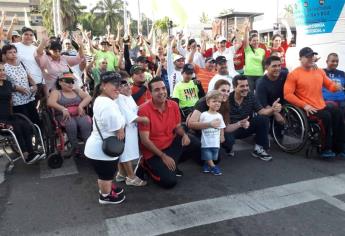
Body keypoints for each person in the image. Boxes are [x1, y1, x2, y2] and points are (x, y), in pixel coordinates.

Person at [284, 47, 345, 158]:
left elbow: (330, 85)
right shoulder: (294, 74)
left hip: (320, 104)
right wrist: (304, 105)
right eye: (307, 57)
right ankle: (325, 149)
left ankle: (339, 147)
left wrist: (336, 87)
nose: (311, 58)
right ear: (300, 58)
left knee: (338, 113)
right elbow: (287, 95)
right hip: (306, 108)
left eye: (312, 56)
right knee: (326, 117)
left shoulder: (319, 71)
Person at [136, 77, 194, 189]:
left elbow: (177, 127)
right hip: (153, 151)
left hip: (169, 143)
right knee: (169, 182)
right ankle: (146, 166)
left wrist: (184, 135)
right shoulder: (144, 110)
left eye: (163, 88)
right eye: (157, 90)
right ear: (150, 92)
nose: (162, 92)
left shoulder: (173, 104)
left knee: (193, 143)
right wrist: (163, 156)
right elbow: (145, 140)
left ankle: (172, 165)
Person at [84, 71, 126, 204]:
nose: (118, 87)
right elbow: (114, 124)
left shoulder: (101, 99)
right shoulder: (107, 104)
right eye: (114, 84)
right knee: (106, 175)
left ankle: (106, 187)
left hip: (98, 148)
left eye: (119, 84)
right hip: (102, 150)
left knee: (105, 173)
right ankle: (105, 195)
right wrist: (120, 128)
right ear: (103, 85)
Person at [229, 75, 282, 161]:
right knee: (228, 143)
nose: (245, 88)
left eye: (247, 85)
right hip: (231, 129)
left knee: (263, 119)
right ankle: (228, 146)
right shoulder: (227, 99)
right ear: (234, 87)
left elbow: (262, 111)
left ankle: (258, 149)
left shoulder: (250, 96)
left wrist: (273, 109)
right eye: (242, 86)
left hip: (246, 127)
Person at [0, 61, 41, 164]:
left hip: (9, 116)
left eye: (3, 70)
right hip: (1, 121)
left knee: (25, 124)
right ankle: (26, 154)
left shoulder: (7, 84)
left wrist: (32, 86)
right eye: (0, 71)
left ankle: (32, 152)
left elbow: (11, 99)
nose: (3, 72)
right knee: (16, 127)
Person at [115, 72, 148, 186]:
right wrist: (146, 119)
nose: (128, 86)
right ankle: (131, 177)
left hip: (130, 130)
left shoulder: (127, 97)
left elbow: (135, 109)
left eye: (128, 83)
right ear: (117, 87)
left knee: (123, 152)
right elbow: (131, 117)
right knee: (126, 153)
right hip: (124, 130)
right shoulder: (119, 98)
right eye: (124, 84)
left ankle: (121, 173)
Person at [47, 72, 92, 156]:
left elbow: (88, 97)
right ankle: (75, 148)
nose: (70, 84)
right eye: (67, 81)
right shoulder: (56, 92)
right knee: (71, 124)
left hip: (78, 114)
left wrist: (81, 106)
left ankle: (89, 147)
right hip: (63, 116)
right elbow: (50, 102)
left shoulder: (76, 91)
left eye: (72, 82)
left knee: (85, 122)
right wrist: (63, 108)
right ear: (60, 82)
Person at [2, 44, 40, 125]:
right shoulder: (4, 68)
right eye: (10, 52)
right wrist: (17, 88)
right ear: (5, 55)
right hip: (16, 100)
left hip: (28, 97)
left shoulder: (21, 64)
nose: (13, 54)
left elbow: (29, 77)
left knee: (35, 120)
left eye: (15, 52)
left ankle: (39, 136)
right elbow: (4, 84)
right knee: (24, 123)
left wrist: (35, 85)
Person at [13, 27, 45, 103]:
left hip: (38, 82)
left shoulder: (37, 49)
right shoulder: (14, 46)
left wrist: (43, 81)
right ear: (21, 35)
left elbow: (43, 65)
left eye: (31, 35)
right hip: (22, 83)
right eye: (26, 34)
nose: (29, 36)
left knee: (36, 107)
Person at [199, 90, 225, 175]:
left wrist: (222, 136)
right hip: (206, 142)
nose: (217, 103)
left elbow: (221, 127)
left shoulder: (219, 116)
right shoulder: (204, 115)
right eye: (214, 101)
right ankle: (214, 167)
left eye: (219, 102)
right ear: (208, 103)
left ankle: (206, 165)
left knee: (213, 156)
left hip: (215, 142)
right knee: (208, 155)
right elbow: (200, 125)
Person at [256, 56, 287, 124]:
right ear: (266, 67)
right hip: (268, 109)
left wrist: (311, 66)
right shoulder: (261, 83)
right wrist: (275, 113)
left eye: (279, 65)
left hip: (284, 107)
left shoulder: (284, 74)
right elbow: (263, 104)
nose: (278, 68)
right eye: (274, 66)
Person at [243, 24, 266, 92]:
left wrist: (263, 71)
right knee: (250, 93)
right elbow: (245, 40)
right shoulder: (247, 50)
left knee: (259, 92)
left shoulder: (262, 51)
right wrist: (246, 31)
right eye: (253, 40)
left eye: (257, 40)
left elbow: (264, 63)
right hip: (249, 75)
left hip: (259, 74)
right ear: (250, 42)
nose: (256, 42)